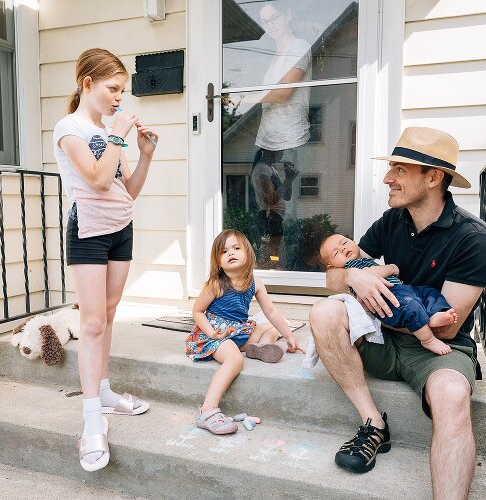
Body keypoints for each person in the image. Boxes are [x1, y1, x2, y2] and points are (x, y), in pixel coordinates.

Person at [309, 127, 486, 500]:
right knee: (324, 311)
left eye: (399, 169)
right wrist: (354, 276)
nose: (387, 178)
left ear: (433, 177)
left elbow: (447, 325)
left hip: (436, 348)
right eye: (390, 167)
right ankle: (374, 423)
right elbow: (333, 275)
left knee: (454, 394)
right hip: (382, 338)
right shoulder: (391, 221)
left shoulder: (472, 238)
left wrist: (369, 299)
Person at [53, 48, 159, 472]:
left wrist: (145, 153)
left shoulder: (107, 130)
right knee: (92, 322)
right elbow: (96, 180)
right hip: (88, 233)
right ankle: (92, 421)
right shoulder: (70, 127)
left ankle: (106, 391)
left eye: (123, 91)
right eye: (113, 89)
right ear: (88, 84)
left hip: (121, 228)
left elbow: (124, 189)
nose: (119, 98)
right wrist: (116, 134)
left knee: (110, 315)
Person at [185, 229, 304, 434]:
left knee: (270, 327)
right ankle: (207, 410)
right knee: (234, 359)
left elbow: (271, 311)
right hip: (218, 335)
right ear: (217, 260)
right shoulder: (216, 283)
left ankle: (261, 347)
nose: (231, 253)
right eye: (224, 251)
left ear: (248, 252)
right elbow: (197, 311)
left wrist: (289, 336)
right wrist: (211, 332)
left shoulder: (255, 282)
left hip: (239, 330)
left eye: (236, 248)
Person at [319, 233, 459, 355]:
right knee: (410, 307)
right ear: (332, 266)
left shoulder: (364, 260)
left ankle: (431, 315)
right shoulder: (351, 267)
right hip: (386, 296)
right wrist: (391, 268)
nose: (343, 248)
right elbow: (370, 274)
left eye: (344, 243)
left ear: (354, 242)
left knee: (428, 292)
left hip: (403, 289)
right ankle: (428, 339)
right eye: (336, 253)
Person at [250, 2, 312, 268]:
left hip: (289, 138)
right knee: (269, 228)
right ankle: (270, 267)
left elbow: (284, 92)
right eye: (265, 21)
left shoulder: (299, 47)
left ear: (288, 15)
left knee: (283, 225)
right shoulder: (274, 56)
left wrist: (245, 97)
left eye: (274, 17)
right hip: (268, 139)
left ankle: (284, 269)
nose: (270, 24)